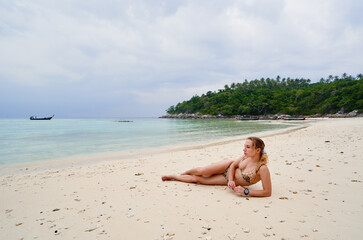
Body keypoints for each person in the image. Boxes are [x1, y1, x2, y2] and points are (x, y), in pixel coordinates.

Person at [161, 137, 272, 197]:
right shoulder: (245, 157)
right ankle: (184, 173)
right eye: (244, 146)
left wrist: (246, 192)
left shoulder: (262, 169)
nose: (244, 149)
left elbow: (267, 192)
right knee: (202, 171)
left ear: (257, 150)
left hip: (226, 179)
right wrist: (231, 179)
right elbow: (233, 165)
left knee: (198, 179)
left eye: (247, 147)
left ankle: (174, 177)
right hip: (227, 169)